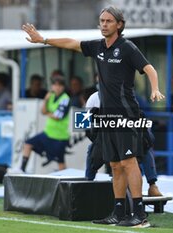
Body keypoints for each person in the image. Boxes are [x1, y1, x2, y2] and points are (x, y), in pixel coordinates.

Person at [22, 6, 164, 228]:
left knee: (129, 162)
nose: (104, 24)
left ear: (119, 24)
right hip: (106, 116)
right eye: (102, 21)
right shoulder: (98, 47)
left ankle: (139, 214)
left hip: (126, 115)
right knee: (115, 165)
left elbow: (150, 69)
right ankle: (118, 212)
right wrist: (44, 39)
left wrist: (155, 89)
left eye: (109, 21)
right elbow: (71, 43)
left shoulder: (127, 47)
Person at [84, 91, 162, 197]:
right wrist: (100, 138)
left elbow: (142, 125)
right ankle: (87, 186)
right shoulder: (94, 98)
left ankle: (152, 186)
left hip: (128, 139)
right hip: (105, 141)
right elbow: (85, 126)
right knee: (92, 151)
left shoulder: (127, 94)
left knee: (145, 148)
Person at [21, 76, 70, 171]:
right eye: (55, 85)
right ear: (52, 86)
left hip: (59, 136)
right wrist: (46, 100)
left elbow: (58, 116)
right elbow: (42, 111)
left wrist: (48, 113)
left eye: (60, 85)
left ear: (63, 87)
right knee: (28, 144)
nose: (57, 88)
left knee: (61, 162)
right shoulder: (50, 96)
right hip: (48, 133)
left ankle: (66, 181)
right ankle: (22, 169)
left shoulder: (65, 99)